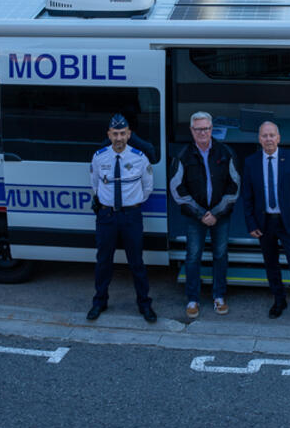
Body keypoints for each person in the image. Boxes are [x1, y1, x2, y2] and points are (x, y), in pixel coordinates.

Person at [169, 111, 240, 319]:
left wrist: (216, 213)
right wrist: (201, 214)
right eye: (198, 129)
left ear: (212, 129)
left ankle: (219, 297)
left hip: (221, 216)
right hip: (195, 217)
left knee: (220, 255)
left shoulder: (226, 152)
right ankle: (193, 300)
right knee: (193, 257)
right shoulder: (182, 156)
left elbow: (234, 186)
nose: (203, 132)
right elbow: (177, 190)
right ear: (192, 130)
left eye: (206, 128)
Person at [87, 113, 157, 324]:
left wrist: (132, 204)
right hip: (106, 216)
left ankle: (144, 304)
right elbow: (95, 186)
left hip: (131, 216)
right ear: (109, 134)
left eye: (122, 134)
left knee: (136, 262)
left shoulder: (139, 157)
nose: (118, 138)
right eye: (115, 134)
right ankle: (100, 301)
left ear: (129, 134)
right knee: (103, 262)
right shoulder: (99, 157)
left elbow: (147, 187)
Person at [241, 121, 290, 328]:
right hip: (265, 223)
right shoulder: (251, 162)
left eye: (272, 135)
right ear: (259, 139)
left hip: (288, 224)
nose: (268, 139)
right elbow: (247, 197)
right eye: (264, 135)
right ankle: (279, 301)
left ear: (279, 138)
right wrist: (251, 223)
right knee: (271, 265)